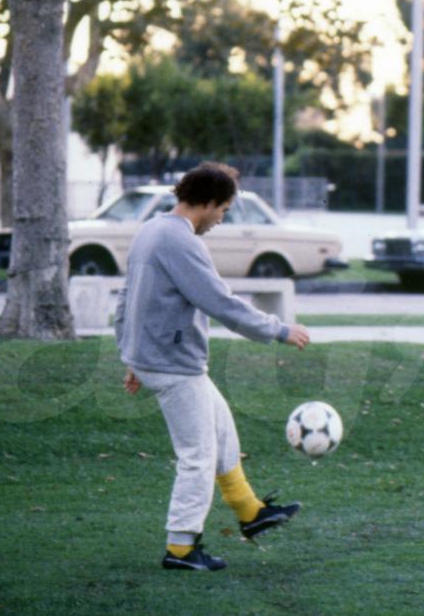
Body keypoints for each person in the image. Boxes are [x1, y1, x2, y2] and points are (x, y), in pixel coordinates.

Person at [115, 162, 312, 571]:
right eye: (223, 209)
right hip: (173, 364)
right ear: (206, 202)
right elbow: (220, 301)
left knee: (222, 430)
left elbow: (127, 299)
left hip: (159, 359)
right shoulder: (181, 242)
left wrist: (132, 356)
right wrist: (279, 330)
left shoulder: (152, 229)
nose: (222, 219)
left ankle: (250, 512)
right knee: (198, 456)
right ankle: (182, 549)